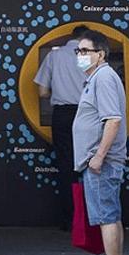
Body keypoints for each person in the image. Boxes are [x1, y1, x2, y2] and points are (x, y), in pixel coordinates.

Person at [72, 30, 129, 255]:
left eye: (85, 51)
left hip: (101, 163)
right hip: (99, 162)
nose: (80, 56)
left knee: (107, 218)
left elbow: (113, 120)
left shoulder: (104, 78)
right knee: (111, 217)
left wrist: (98, 156)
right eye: (78, 51)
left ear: (101, 54)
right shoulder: (97, 78)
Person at [35, 24, 89, 230]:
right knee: (92, 163)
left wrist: (59, 91)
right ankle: (91, 219)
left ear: (70, 37)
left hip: (63, 115)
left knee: (67, 166)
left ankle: (70, 220)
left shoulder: (54, 56)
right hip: (87, 114)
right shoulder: (91, 57)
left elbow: (42, 92)